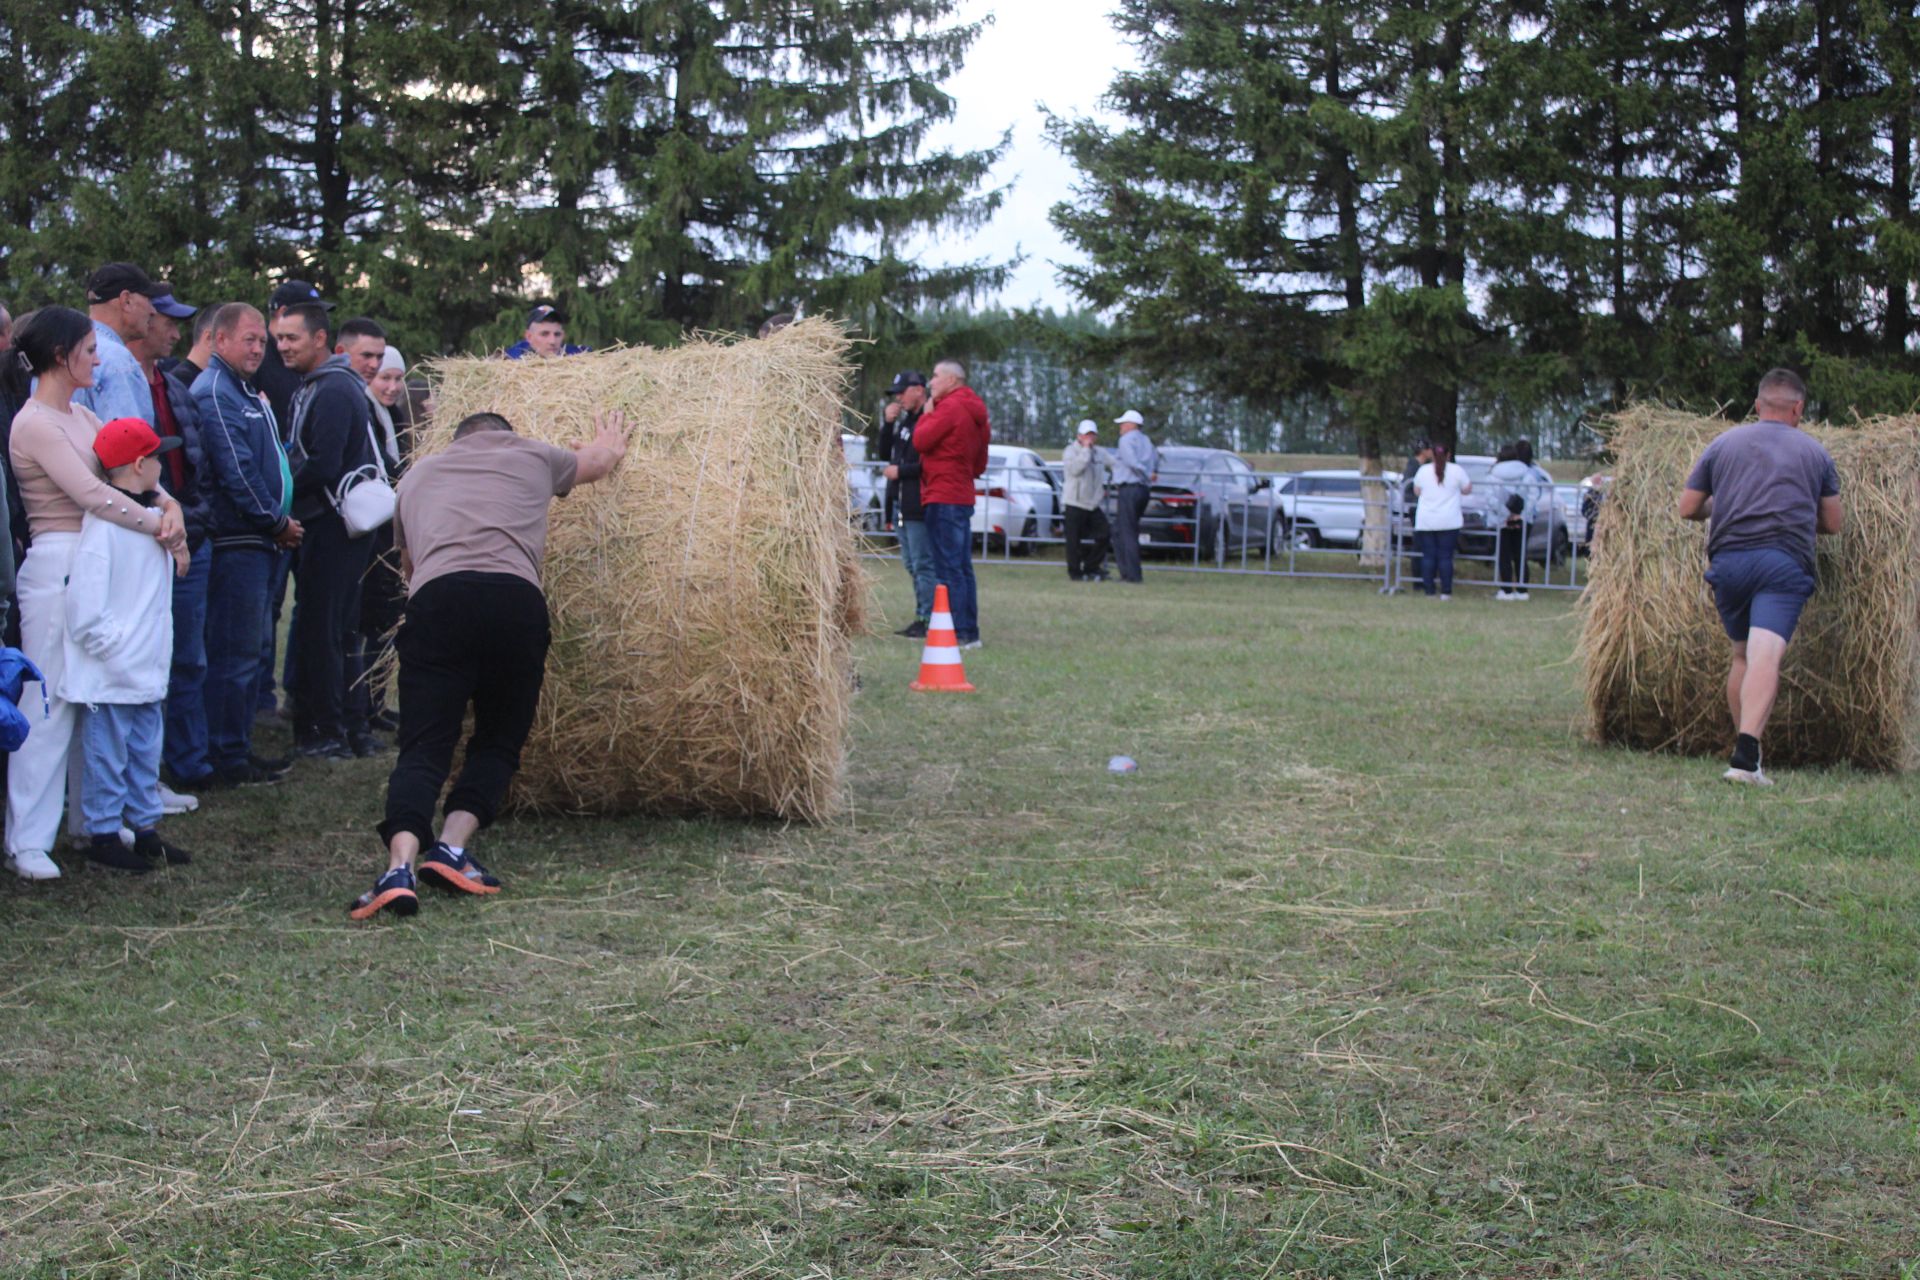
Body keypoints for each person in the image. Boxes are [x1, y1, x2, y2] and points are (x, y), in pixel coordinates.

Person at [348, 409, 630, 920]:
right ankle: (452, 849)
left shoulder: (416, 477)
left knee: (423, 746)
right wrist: (609, 441)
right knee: (498, 738)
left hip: (437, 603)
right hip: (513, 603)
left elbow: (409, 570)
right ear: (506, 436)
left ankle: (399, 867)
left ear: (456, 442)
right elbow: (598, 463)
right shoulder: (533, 454)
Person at [4, 308, 187, 881]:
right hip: (60, 561)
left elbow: (135, 475)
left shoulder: (82, 414)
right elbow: (91, 492)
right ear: (62, 355)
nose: (97, 357)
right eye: (87, 348)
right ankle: (28, 838)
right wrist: (159, 524)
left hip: (106, 556)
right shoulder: (35, 423)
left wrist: (170, 505)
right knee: (53, 702)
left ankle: (95, 822)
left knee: (97, 698)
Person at [1679, 368, 1842, 786]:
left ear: (1757, 405)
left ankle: (1747, 754)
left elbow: (1688, 508)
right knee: (1765, 656)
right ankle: (1746, 758)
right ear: (1798, 408)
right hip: (1781, 564)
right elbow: (1833, 522)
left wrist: (1725, 505)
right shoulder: (1816, 453)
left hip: (1729, 564)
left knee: (1743, 656)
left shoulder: (1723, 443)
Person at [59, 418, 192, 873]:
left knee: (141, 751)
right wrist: (117, 648)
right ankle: (103, 833)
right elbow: (85, 608)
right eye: (157, 456)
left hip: (144, 665)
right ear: (139, 464)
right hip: (114, 671)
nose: (162, 463)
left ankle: (144, 828)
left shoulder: (149, 520)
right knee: (107, 754)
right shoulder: (106, 530)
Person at [193, 303, 302, 787]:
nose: (260, 348)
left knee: (249, 654)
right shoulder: (217, 391)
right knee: (233, 655)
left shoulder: (242, 390)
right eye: (250, 339)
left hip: (258, 540)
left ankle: (235, 746)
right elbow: (236, 470)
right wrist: (274, 520)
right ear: (219, 341)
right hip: (239, 541)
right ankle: (223, 755)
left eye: (264, 341)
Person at [272, 302, 382, 760]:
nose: (282, 347)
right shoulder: (323, 385)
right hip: (335, 526)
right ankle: (349, 727)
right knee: (338, 629)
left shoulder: (333, 389)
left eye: (291, 338)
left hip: (333, 527)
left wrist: (278, 485)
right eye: (278, 338)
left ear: (320, 340)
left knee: (327, 630)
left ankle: (327, 732)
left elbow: (324, 461)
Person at [133, 291, 224, 797]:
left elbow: (199, 461)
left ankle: (188, 761)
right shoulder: (119, 382)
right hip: (144, 536)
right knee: (151, 658)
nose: (174, 332)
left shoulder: (172, 384)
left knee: (190, 656)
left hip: (191, 532)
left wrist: (197, 519)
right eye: (166, 323)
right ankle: (148, 772)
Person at [911, 360, 989, 649]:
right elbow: (980, 462)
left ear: (952, 380)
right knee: (961, 567)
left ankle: (959, 632)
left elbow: (920, 440)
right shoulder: (975, 410)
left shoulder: (949, 408)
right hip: (961, 493)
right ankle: (968, 629)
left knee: (948, 568)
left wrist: (927, 415)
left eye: (935, 376)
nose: (931, 383)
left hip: (942, 493)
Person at [354, 345, 412, 731]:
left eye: (397, 379)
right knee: (368, 620)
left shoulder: (392, 417)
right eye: (384, 378)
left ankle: (375, 702)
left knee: (387, 622)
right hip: (370, 532)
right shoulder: (366, 418)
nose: (391, 387)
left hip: (389, 530)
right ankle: (361, 705)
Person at [73, 263, 170, 426]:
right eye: (149, 299)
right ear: (126, 301)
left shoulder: (66, 349)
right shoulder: (117, 360)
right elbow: (130, 444)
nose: (153, 310)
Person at [879, 370, 934, 636]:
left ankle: (927, 618)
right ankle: (923, 614)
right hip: (902, 502)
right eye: (896, 393)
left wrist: (901, 472)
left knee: (923, 563)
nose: (898, 397)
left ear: (919, 390)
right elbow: (884, 454)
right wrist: (888, 424)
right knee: (913, 564)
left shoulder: (928, 420)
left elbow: (929, 464)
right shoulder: (906, 423)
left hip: (918, 503)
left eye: (902, 391)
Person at [1412, 442, 1470, 599]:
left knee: (1428, 556)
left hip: (1426, 520)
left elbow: (1416, 491)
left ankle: (1429, 590)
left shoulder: (1423, 471)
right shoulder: (1456, 470)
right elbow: (1467, 489)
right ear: (1449, 455)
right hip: (1449, 520)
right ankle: (1446, 591)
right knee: (1445, 556)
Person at [1109, 409, 1157, 584]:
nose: (1121, 427)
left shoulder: (1126, 440)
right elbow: (1155, 460)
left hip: (1130, 488)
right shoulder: (1147, 441)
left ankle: (1132, 575)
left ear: (1131, 425)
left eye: (1123, 424)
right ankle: (1127, 572)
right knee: (1120, 530)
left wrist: (1144, 473)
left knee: (1126, 531)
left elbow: (1131, 462)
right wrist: (1150, 475)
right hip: (1143, 490)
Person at [1062, 420, 1112, 582]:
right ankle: (1075, 573)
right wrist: (1085, 450)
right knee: (1073, 540)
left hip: (1093, 504)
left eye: (1092, 434)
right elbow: (1075, 469)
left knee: (1104, 534)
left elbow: (1115, 463)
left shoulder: (1100, 453)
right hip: (1074, 502)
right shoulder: (1070, 451)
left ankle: (1091, 567)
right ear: (1079, 436)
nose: (1089, 438)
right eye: (1086, 434)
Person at [1486, 442, 1534, 601]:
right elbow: (1533, 495)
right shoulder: (1527, 473)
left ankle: (1506, 590)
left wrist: (1505, 513)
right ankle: (1522, 590)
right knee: (1520, 554)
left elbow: (1490, 498)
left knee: (1504, 555)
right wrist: (1521, 514)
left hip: (1500, 520)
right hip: (1521, 519)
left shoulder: (1493, 475)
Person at [503, 304, 589, 359]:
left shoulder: (577, 355)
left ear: (563, 335)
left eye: (557, 334)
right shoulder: (510, 359)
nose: (552, 341)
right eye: (544, 334)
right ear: (529, 337)